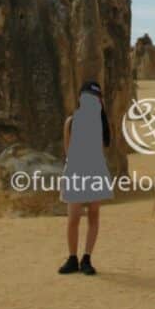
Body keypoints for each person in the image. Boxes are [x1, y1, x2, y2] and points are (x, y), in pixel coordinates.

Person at [58, 81, 114, 275]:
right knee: (73, 217)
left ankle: (87, 257)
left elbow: (101, 148)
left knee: (93, 215)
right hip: (76, 171)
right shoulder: (71, 122)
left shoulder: (101, 122)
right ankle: (72, 257)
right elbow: (68, 150)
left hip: (95, 172)